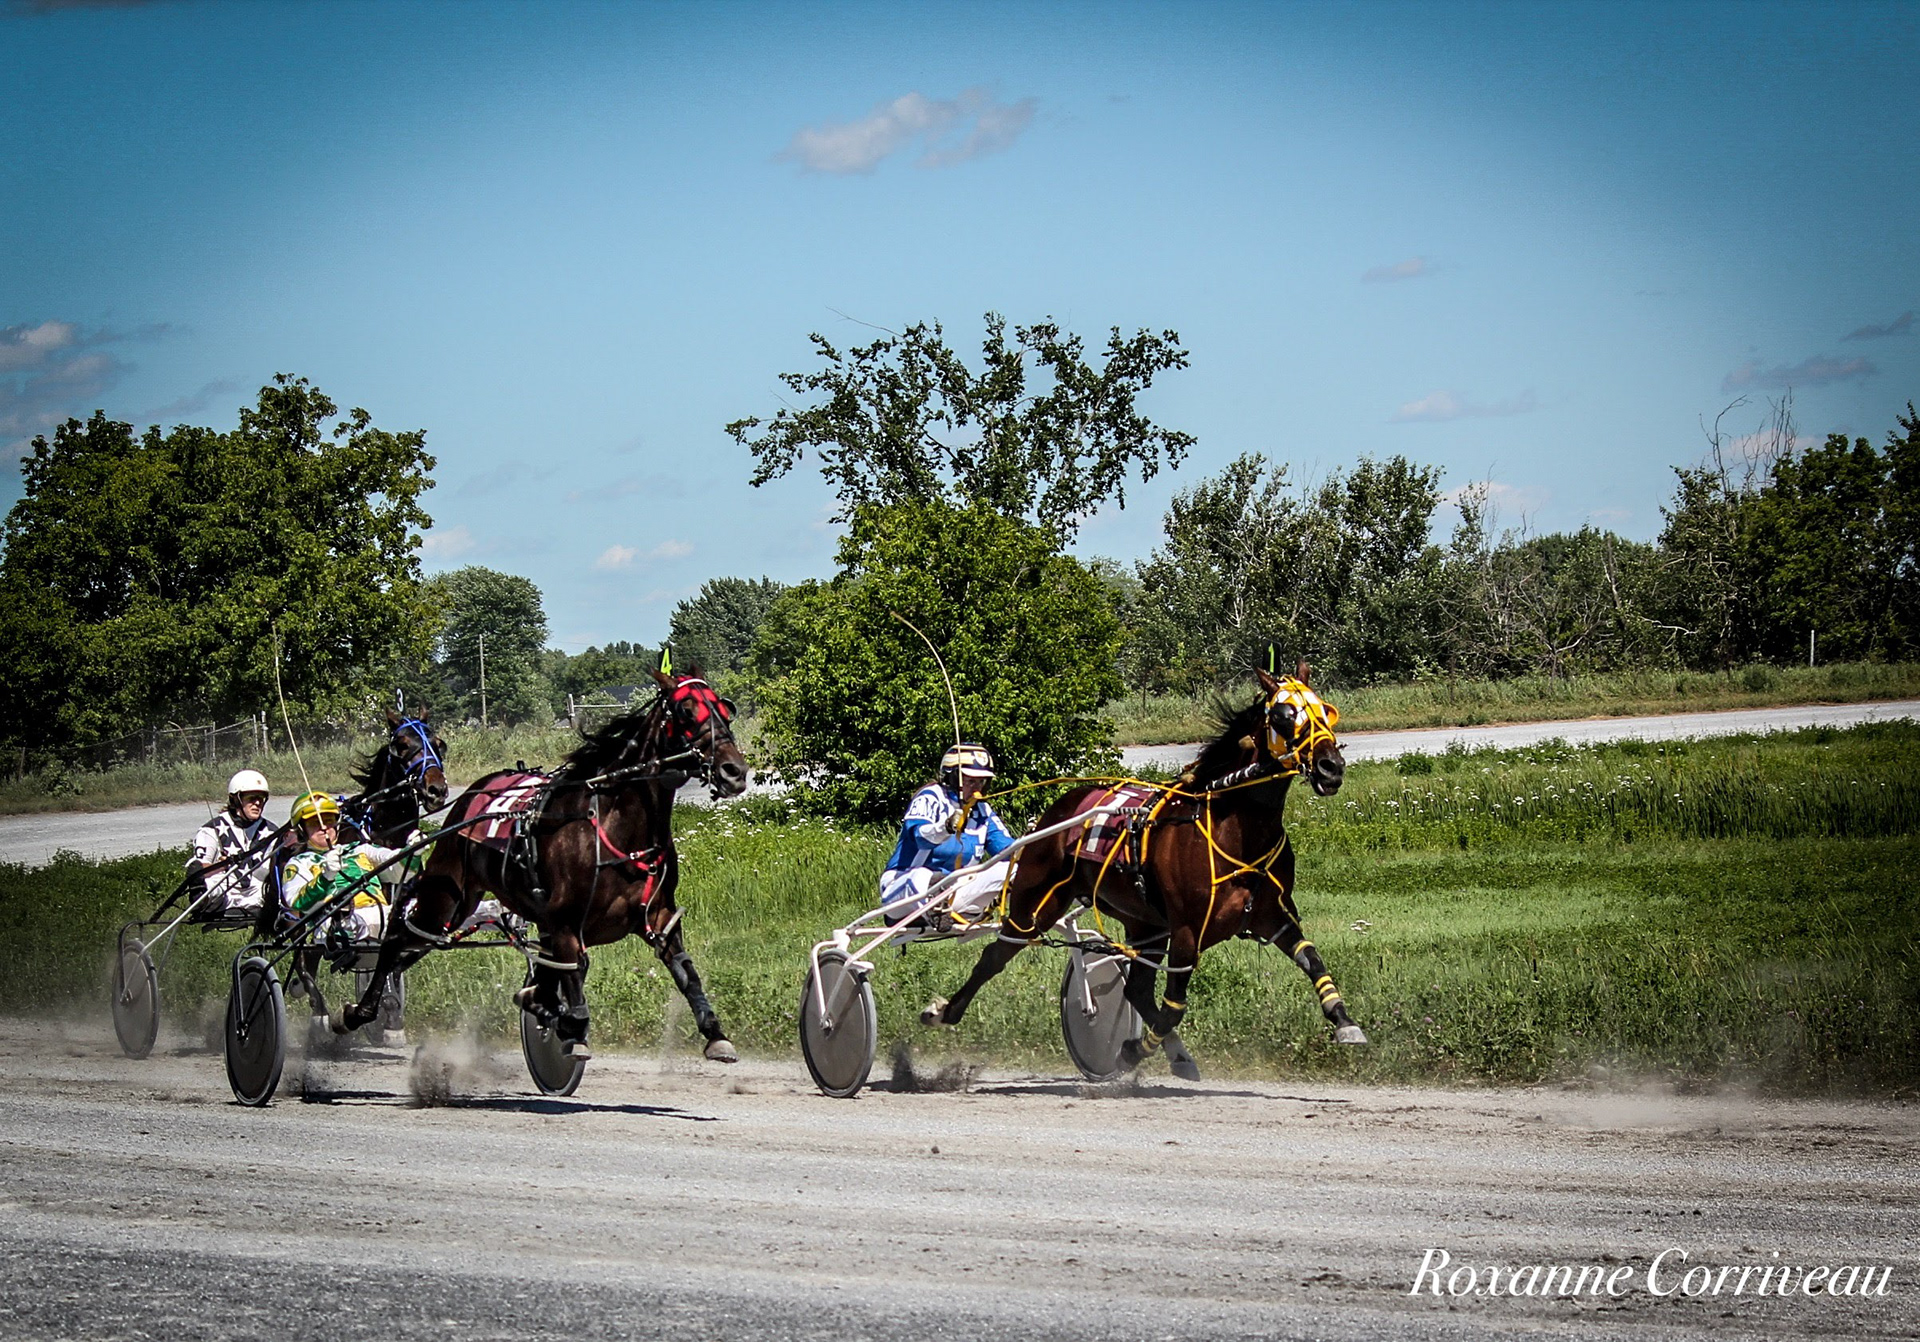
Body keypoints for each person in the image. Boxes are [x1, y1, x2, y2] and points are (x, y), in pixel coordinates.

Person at [879, 744, 1015, 928]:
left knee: (1013, 870)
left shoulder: (982, 810)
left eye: (981, 782)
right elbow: (919, 837)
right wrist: (946, 827)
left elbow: (1008, 850)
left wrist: (1034, 844)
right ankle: (935, 906)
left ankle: (1028, 916)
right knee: (922, 876)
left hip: (955, 891)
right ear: (952, 778)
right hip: (903, 891)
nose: (977, 789)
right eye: (970, 782)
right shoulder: (930, 797)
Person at [277, 791, 415, 950]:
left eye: (329, 821)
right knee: (354, 924)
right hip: (335, 923)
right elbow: (297, 902)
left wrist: (411, 852)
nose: (324, 827)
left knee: (419, 908)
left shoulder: (361, 849)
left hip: (382, 913)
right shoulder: (298, 863)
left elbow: (395, 865)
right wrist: (325, 876)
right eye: (315, 823)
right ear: (302, 830)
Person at [185, 768, 275, 921]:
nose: (258, 803)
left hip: (256, 894)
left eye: (261, 798)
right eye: (252, 798)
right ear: (236, 799)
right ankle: (204, 901)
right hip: (225, 893)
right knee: (210, 881)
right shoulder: (211, 830)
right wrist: (221, 866)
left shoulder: (271, 832)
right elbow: (197, 869)